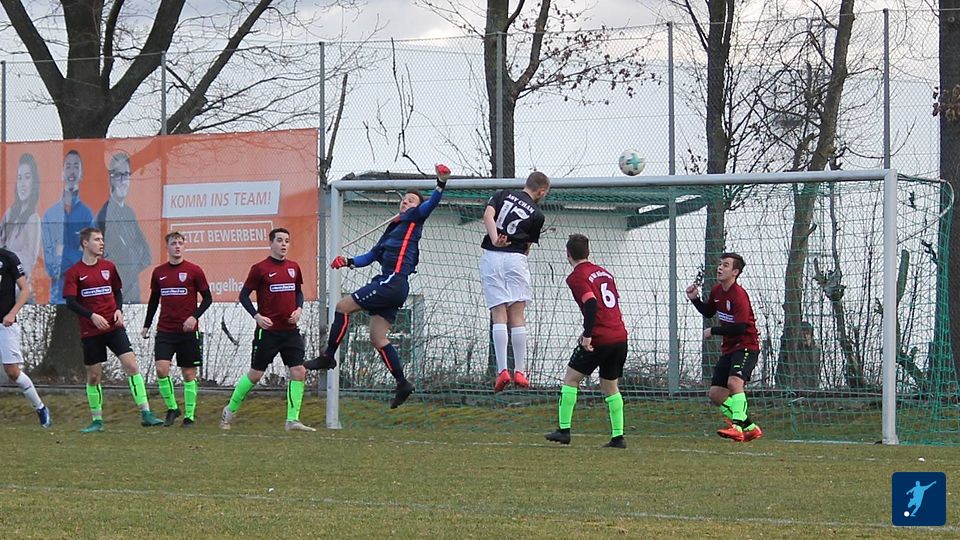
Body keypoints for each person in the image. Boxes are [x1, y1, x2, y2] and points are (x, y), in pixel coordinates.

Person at [303, 164, 451, 409]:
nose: (405, 202)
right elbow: (371, 256)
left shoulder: (415, 219)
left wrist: (441, 183)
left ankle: (328, 357)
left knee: (342, 307)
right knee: (377, 337)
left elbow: (431, 204)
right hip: (392, 285)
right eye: (404, 200)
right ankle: (402, 383)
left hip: (392, 282)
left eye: (411, 201)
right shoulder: (392, 229)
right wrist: (348, 261)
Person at [63, 227, 164, 432]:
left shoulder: (109, 267)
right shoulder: (75, 272)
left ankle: (146, 413)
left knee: (132, 366)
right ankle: (97, 420)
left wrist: (118, 310)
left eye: (102, 239)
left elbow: (117, 292)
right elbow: (71, 302)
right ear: (85, 243)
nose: (101, 243)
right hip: (91, 331)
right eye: (97, 240)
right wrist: (92, 316)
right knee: (94, 376)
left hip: (113, 327)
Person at [220, 228, 314, 432]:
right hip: (268, 332)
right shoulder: (260, 269)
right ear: (271, 243)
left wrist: (299, 309)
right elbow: (243, 296)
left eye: (287, 241)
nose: (283, 244)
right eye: (279, 240)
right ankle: (230, 410)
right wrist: (257, 316)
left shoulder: (293, 267)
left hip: (290, 331)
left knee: (299, 371)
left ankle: (292, 420)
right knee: (255, 375)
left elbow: (298, 292)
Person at [545, 234, 628, 448]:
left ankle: (564, 430)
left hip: (600, 337)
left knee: (571, 379)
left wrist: (588, 334)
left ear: (568, 254)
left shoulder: (576, 277)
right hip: (619, 335)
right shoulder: (605, 273)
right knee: (610, 386)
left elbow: (591, 303)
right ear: (588, 252)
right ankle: (618, 437)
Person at [479, 171, 549, 392]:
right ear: (542, 191)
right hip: (515, 259)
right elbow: (527, 246)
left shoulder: (502, 194)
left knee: (498, 312)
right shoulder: (537, 214)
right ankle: (520, 371)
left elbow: (487, 216)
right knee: (517, 314)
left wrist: (495, 240)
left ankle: (502, 370)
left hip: (492, 257)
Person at [685, 252, 763, 442]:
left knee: (734, 383)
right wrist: (695, 299)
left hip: (746, 346)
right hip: (729, 348)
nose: (720, 268)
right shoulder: (717, 291)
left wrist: (713, 330)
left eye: (726, 265)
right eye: (720, 264)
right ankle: (750, 428)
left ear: (735, 272)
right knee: (716, 394)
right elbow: (709, 311)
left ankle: (737, 427)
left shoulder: (739, 295)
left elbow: (740, 328)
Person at [141, 232, 212, 427]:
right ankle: (172, 407)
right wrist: (147, 324)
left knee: (189, 374)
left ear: (184, 246)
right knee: (161, 369)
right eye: (174, 243)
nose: (177, 246)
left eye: (180, 243)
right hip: (165, 329)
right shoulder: (159, 272)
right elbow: (154, 300)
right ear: (167, 247)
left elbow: (208, 298)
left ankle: (189, 416)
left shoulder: (194, 271)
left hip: (187, 332)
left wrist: (194, 317)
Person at [0, 246, 50, 427]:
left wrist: (12, 313)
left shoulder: (8, 258)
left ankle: (40, 407)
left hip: (5, 324)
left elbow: (25, 290)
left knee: (12, 372)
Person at [96, 152, 151, 303]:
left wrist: (131, 264)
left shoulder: (129, 212)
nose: (122, 180)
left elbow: (147, 254)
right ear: (110, 179)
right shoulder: (104, 214)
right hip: (112, 294)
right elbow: (111, 255)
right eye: (117, 175)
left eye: (126, 175)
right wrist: (131, 259)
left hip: (133, 294)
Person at [42, 150, 94, 304]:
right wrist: (76, 255)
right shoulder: (49, 215)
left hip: (83, 293)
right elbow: (51, 266)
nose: (72, 171)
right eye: (68, 166)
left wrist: (62, 250)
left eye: (76, 166)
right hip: (57, 296)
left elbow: (90, 258)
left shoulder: (87, 214)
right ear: (62, 173)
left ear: (81, 174)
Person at [0, 153, 42, 281]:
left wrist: (8, 254)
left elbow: (29, 260)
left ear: (33, 183)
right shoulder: (9, 213)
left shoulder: (33, 219)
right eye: (19, 178)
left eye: (27, 177)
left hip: (17, 282)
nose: (22, 183)